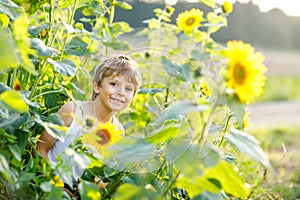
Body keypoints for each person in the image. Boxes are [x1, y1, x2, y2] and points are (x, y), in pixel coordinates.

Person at [36, 54, 141, 196]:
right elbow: (40, 149)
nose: (121, 93)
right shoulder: (72, 111)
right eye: (113, 84)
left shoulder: (117, 131)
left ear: (133, 96)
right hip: (48, 185)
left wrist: (91, 185)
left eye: (128, 89)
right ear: (97, 86)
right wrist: (57, 185)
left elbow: (104, 176)